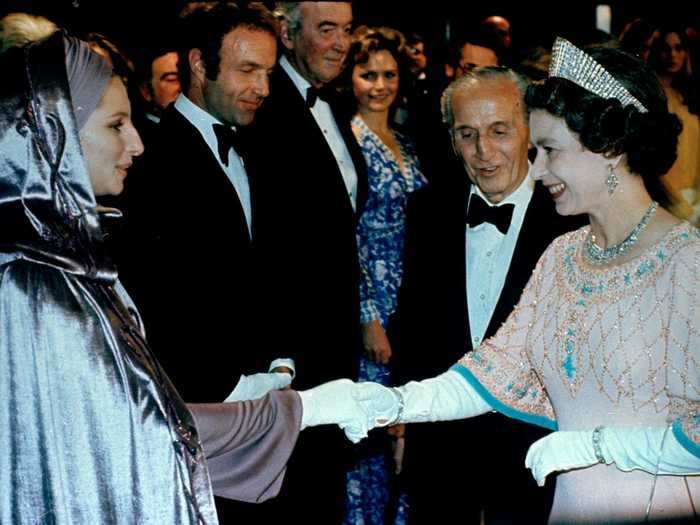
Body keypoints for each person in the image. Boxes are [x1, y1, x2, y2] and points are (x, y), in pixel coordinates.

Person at [0, 28, 389, 525]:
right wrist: (297, 410)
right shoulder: (33, 284)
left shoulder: (61, 261)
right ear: (53, 133)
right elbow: (137, 430)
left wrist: (284, 377)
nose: (136, 142)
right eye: (117, 125)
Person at [352, 38, 700, 523]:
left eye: (549, 150)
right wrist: (388, 403)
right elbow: (490, 372)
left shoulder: (688, 263)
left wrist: (597, 445)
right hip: (567, 505)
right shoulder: (562, 257)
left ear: (610, 149)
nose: (535, 168)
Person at [393, 66, 583, 524]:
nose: (484, 152)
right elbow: (413, 326)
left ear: (529, 131)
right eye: (467, 134)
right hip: (440, 454)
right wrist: (402, 427)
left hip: (535, 454)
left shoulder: (573, 220)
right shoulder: (426, 211)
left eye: (499, 131)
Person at [244, 2, 368, 521]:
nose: (341, 43)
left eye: (346, 29)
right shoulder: (266, 109)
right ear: (288, 34)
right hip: (295, 344)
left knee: (324, 485)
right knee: (299, 491)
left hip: (335, 333)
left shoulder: (333, 104)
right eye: (326, 30)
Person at [341, 26, 427, 525]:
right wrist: (367, 316)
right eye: (367, 73)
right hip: (371, 301)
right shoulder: (348, 141)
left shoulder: (408, 140)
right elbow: (345, 238)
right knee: (371, 438)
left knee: (406, 429)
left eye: (388, 74)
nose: (379, 84)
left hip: (410, 301)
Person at [649, 27, 700, 225]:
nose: (672, 55)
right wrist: (680, 207)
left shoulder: (690, 97)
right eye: (666, 49)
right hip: (665, 202)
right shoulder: (652, 98)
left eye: (678, 48)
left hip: (695, 201)